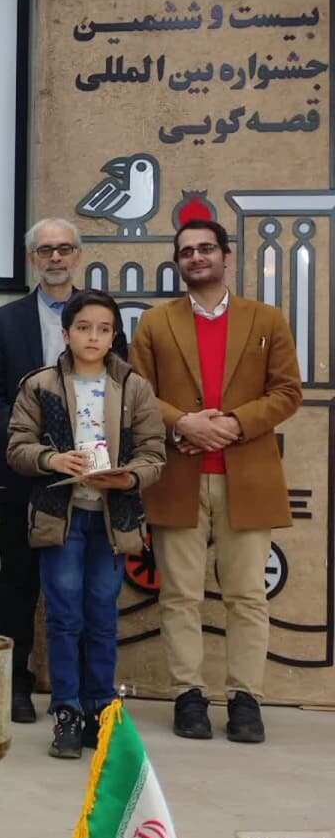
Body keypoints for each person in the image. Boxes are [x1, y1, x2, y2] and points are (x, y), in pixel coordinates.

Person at [130, 219, 302, 744]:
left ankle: (246, 699)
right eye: (187, 251)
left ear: (226, 256)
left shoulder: (267, 319)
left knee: (247, 596)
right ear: (177, 262)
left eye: (206, 248)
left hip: (247, 476)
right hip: (177, 477)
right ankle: (189, 696)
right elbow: (137, 393)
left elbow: (287, 392)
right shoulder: (156, 323)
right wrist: (184, 423)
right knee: (179, 595)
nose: (197, 257)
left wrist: (231, 424)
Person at [0, 218, 126, 722]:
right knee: (17, 580)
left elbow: (123, 386)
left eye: (64, 248)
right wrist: (27, 444)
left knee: (87, 591)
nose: (55, 257)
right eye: (45, 250)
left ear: (78, 255)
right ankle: (15, 684)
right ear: (32, 259)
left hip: (91, 479)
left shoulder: (100, 314)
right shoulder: (5, 320)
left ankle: (82, 695)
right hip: (22, 474)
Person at [7, 290, 166, 759]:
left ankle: (101, 710)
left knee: (101, 614)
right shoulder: (40, 384)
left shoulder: (134, 387)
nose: (93, 337)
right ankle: (67, 712)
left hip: (113, 519)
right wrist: (52, 459)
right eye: (83, 328)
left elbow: (154, 454)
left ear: (114, 336)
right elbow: (17, 447)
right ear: (66, 333)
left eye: (103, 329)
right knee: (63, 617)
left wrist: (128, 476)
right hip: (62, 517)